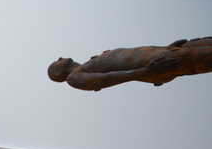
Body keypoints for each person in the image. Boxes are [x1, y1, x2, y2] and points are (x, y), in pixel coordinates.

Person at [47, 37, 212, 91]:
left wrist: (165, 48)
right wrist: (145, 71)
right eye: (57, 61)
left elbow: (130, 55)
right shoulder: (74, 78)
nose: (60, 57)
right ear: (56, 73)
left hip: (161, 55)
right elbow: (109, 78)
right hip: (156, 64)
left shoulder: (88, 64)